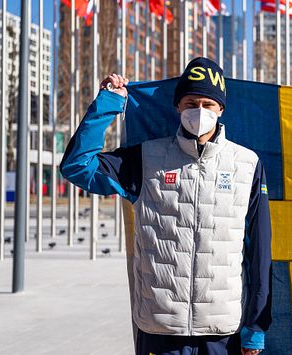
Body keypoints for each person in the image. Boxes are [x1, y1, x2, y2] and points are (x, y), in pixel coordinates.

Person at [60, 57, 272, 355]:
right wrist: (108, 102)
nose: (199, 111)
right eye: (190, 103)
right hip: (160, 329)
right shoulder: (145, 158)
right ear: (177, 108)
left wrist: (256, 328)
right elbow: (77, 167)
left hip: (222, 331)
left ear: (221, 109)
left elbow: (260, 252)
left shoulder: (248, 165)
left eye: (207, 104)